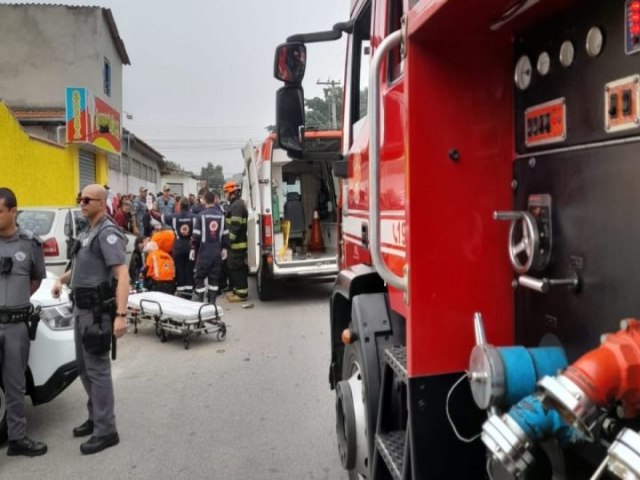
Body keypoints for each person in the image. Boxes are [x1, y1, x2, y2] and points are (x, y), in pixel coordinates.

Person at [52, 184, 128, 455]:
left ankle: (107, 430)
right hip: (80, 309)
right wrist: (61, 280)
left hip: (96, 313)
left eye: (87, 200)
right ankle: (96, 416)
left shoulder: (107, 233)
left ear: (101, 203)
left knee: (98, 371)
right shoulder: (87, 232)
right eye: (79, 199)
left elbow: (122, 276)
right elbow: (81, 269)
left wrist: (121, 315)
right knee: (84, 369)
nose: (81, 203)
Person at [0, 187, 48, 457]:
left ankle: (17, 439)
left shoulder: (30, 244)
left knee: (15, 383)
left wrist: (15, 302)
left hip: (17, 325)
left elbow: (36, 279)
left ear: (13, 211)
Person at [150, 197, 196, 299]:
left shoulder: (174, 217)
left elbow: (159, 216)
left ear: (179, 206)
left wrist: (151, 209)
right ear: (189, 206)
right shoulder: (194, 217)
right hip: (190, 247)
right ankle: (189, 293)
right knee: (189, 269)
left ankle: (181, 293)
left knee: (179, 269)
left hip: (178, 247)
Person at [190, 191, 225, 303]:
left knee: (199, 277)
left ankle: (200, 303)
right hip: (217, 252)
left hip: (204, 253)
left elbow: (196, 236)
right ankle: (212, 304)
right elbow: (226, 234)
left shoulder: (201, 216)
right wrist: (225, 248)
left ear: (204, 200)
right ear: (214, 200)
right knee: (214, 279)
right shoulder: (221, 216)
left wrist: (192, 248)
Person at [223, 180, 249, 302]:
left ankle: (242, 294)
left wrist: (229, 240)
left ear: (230, 192)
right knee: (233, 267)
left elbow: (236, 225)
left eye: (225, 192)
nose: (225, 195)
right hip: (235, 244)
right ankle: (236, 290)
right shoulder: (235, 204)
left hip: (237, 244)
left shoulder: (237, 205)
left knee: (237, 268)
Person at [142, 229, 175, 294]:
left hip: (158, 284)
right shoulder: (168, 256)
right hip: (171, 284)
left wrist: (143, 275)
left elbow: (147, 270)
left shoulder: (152, 256)